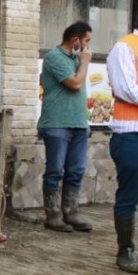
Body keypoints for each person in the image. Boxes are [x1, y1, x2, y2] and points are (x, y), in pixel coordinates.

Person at [106, 0, 138, 274]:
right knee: (129, 197)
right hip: (132, 136)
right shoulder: (125, 48)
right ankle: (126, 251)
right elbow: (126, 90)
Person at [37, 21, 93, 233]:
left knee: (76, 170)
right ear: (75, 40)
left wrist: (81, 60)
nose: (88, 47)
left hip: (78, 123)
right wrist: (85, 61)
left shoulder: (75, 59)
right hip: (57, 123)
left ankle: (71, 212)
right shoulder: (54, 57)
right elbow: (75, 84)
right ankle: (52, 216)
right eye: (86, 41)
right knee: (55, 170)